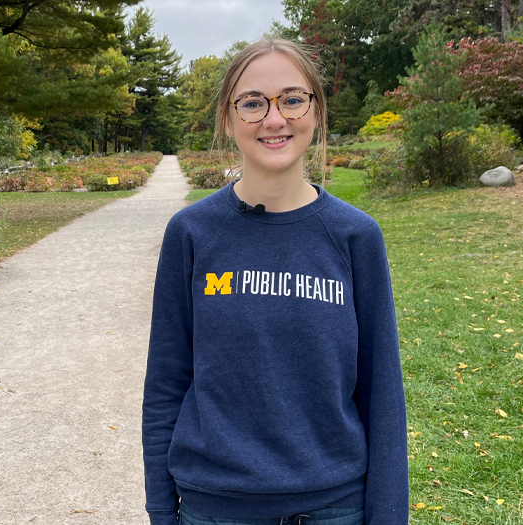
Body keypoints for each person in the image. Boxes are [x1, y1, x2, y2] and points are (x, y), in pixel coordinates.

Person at [141, 37, 408, 525]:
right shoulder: (192, 233)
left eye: (292, 98)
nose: (274, 118)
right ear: (228, 117)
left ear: (316, 111)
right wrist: (161, 509)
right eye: (252, 103)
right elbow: (166, 383)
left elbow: (382, 392)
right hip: (214, 508)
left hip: (332, 507)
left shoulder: (355, 237)